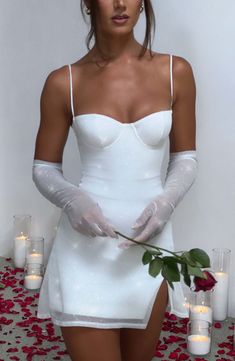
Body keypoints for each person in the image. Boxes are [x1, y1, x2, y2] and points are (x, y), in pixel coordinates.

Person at [32, 1, 198, 360]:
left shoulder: (176, 71)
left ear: (143, 4)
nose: (120, 3)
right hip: (84, 255)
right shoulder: (65, 82)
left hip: (149, 253)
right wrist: (71, 199)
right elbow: (44, 168)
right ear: (89, 3)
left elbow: (185, 158)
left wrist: (166, 200)